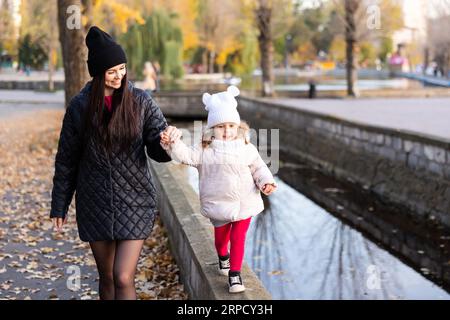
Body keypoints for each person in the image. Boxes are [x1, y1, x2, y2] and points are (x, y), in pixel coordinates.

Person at [49, 26, 172, 300]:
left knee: (123, 276)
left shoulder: (141, 101)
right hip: (95, 202)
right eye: (112, 70)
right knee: (106, 278)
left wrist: (166, 142)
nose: (119, 76)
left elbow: (157, 148)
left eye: (122, 68)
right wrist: (60, 204)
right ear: (98, 72)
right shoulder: (80, 107)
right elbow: (67, 159)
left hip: (135, 199)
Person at [159, 85, 277, 293]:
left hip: (244, 201)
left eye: (231, 126)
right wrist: (173, 144)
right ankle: (223, 257)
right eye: (221, 126)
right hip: (218, 203)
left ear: (238, 127)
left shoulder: (246, 147)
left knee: (238, 238)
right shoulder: (205, 150)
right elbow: (185, 156)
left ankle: (235, 275)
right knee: (222, 240)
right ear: (213, 128)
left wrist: (265, 182)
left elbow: (258, 167)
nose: (227, 131)